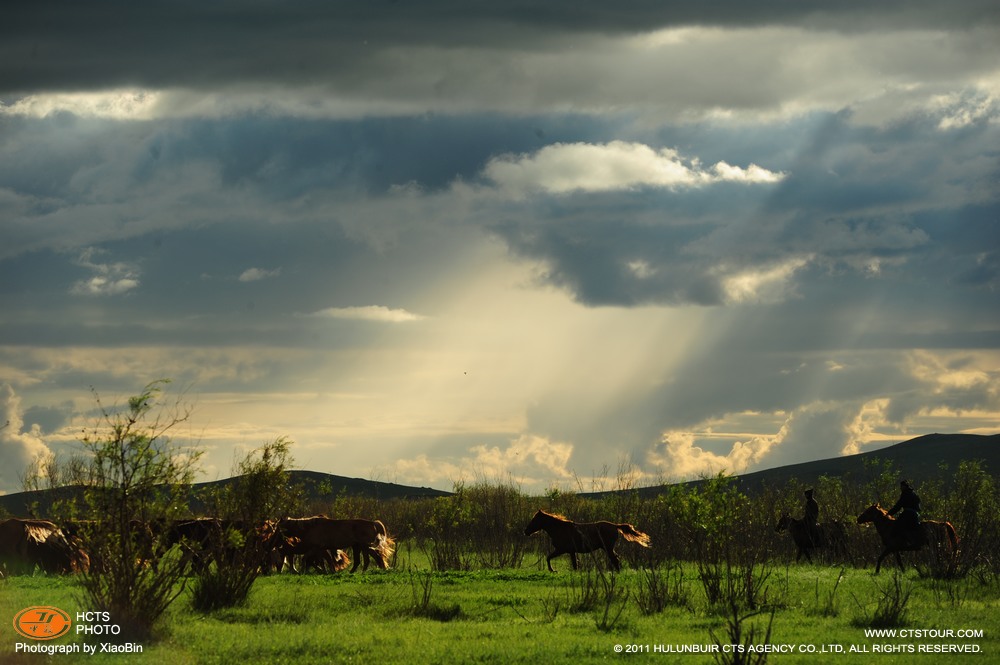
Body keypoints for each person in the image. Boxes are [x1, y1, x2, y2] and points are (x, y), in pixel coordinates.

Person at [887, 480, 922, 546]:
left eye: (901, 486)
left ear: (904, 486)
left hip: (908, 514)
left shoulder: (905, 494)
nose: (901, 488)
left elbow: (898, 506)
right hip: (915, 514)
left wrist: (889, 513)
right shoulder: (913, 493)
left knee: (897, 525)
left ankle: (902, 543)